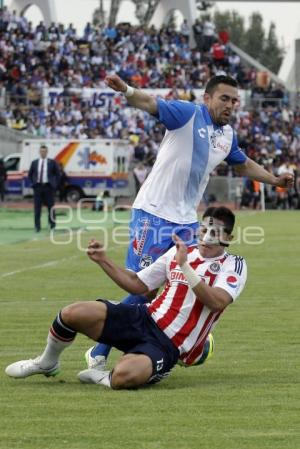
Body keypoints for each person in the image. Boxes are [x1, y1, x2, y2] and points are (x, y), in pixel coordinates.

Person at [85, 74, 294, 371]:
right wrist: (128, 90)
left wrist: (274, 180)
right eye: (224, 98)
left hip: (186, 220)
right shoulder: (187, 113)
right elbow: (149, 102)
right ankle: (99, 352)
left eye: (234, 101)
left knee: (177, 282)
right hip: (154, 214)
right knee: (143, 288)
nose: (230, 105)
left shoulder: (227, 136)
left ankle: (167, 342)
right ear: (207, 98)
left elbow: (243, 164)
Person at [5, 206, 247, 389]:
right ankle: (47, 361)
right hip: (143, 317)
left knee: (124, 376)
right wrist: (103, 260)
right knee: (72, 313)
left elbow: (217, 302)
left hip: (169, 343)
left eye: (215, 233)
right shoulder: (180, 252)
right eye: (204, 230)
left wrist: (186, 268)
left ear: (229, 237)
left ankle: (102, 376)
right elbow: (138, 284)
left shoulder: (233, 264)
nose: (206, 238)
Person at [28, 145, 60, 232]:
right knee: (37, 208)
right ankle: (37, 227)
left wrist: (54, 184)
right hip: (38, 187)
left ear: (47, 152)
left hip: (48, 187)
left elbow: (58, 174)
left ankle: (52, 225)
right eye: (41, 151)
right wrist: (33, 184)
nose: (43, 153)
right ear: (39, 152)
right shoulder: (34, 163)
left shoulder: (52, 162)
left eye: (44, 151)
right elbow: (30, 174)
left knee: (51, 208)